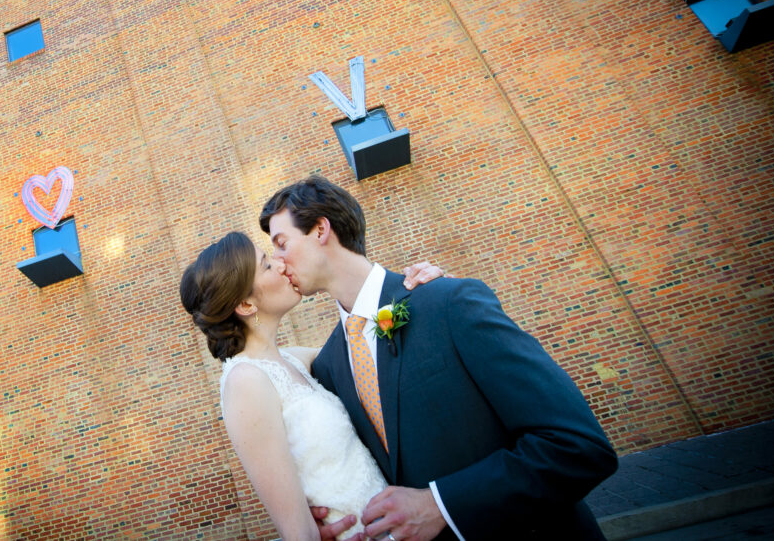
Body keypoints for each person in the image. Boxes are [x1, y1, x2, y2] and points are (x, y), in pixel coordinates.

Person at [259, 175, 618, 541]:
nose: (279, 263)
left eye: (282, 244)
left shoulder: (449, 301)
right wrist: (328, 513)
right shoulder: (328, 366)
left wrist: (442, 505)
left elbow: (577, 446)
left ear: (321, 229)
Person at [180, 232, 446, 540]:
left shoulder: (293, 359)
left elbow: (368, 345)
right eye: (266, 264)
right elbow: (298, 533)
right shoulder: (245, 382)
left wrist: (425, 292)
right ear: (245, 303)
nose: (280, 263)